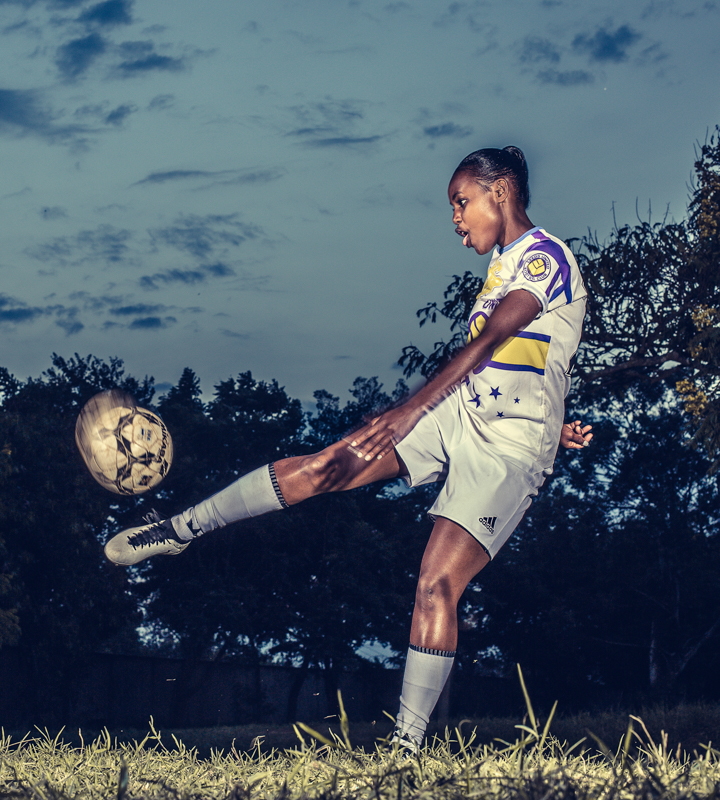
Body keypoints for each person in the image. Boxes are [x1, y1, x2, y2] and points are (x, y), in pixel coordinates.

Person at [104, 146, 592, 750]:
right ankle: (180, 529)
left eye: (461, 202)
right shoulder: (502, 266)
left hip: (508, 453)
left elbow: (496, 340)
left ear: (501, 191)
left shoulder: (546, 256)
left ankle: (404, 755)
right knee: (323, 467)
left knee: (436, 584)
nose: (456, 219)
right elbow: (535, 361)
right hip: (460, 418)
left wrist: (414, 408)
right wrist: (553, 415)